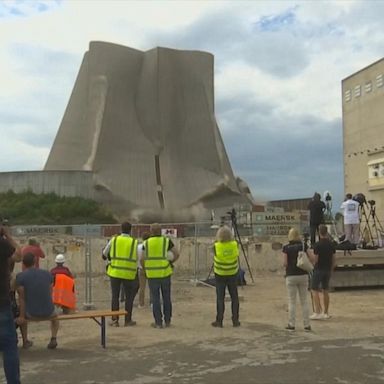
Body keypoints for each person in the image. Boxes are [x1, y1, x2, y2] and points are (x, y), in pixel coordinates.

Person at [15, 253, 60, 349]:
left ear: (23, 264)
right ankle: (53, 338)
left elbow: (22, 298)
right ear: (35, 262)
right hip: (49, 312)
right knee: (55, 319)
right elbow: (50, 291)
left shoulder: (20, 276)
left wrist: (22, 316)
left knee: (22, 315)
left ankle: (25, 341)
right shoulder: (47, 274)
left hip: (31, 313)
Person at [142, 223, 179, 328]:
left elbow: (142, 258)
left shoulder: (146, 243)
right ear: (160, 231)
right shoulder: (166, 241)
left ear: (151, 231)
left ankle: (158, 322)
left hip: (152, 275)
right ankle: (168, 320)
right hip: (165, 273)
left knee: (155, 298)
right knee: (166, 297)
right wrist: (171, 262)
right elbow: (176, 253)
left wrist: (145, 269)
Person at [103, 222, 139, 327]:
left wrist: (110, 258)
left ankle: (115, 320)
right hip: (129, 274)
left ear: (121, 229)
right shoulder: (134, 242)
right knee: (129, 298)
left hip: (114, 272)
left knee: (115, 296)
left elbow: (104, 254)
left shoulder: (114, 240)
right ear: (130, 230)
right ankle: (128, 320)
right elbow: (138, 256)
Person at [0, 224, 22, 384]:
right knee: (9, 346)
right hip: (1, 303)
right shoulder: (3, 245)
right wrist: (7, 234)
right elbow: (19, 255)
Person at [282, 228, 312, 331]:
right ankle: (306, 324)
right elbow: (311, 257)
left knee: (292, 301)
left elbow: (285, 263)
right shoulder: (303, 246)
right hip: (303, 274)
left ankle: (291, 323)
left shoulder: (286, 247)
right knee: (304, 301)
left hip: (291, 275)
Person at [211, 225, 240, 328]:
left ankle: (219, 320)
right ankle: (235, 320)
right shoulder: (234, 244)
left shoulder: (216, 246)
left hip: (220, 274)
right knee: (234, 297)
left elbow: (214, 253)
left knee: (220, 298)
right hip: (232, 273)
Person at [310, 225, 337, 320]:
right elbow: (334, 259)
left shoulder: (317, 245)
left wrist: (311, 262)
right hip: (327, 269)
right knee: (326, 290)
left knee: (314, 289)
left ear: (319, 233)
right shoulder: (331, 244)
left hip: (318, 269)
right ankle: (326, 312)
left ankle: (317, 311)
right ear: (326, 232)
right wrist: (332, 269)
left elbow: (316, 259)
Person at [137, 232, 151, 308]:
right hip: (149, 268)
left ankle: (141, 303)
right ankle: (152, 302)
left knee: (142, 288)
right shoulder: (150, 247)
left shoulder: (138, 247)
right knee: (152, 287)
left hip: (141, 268)